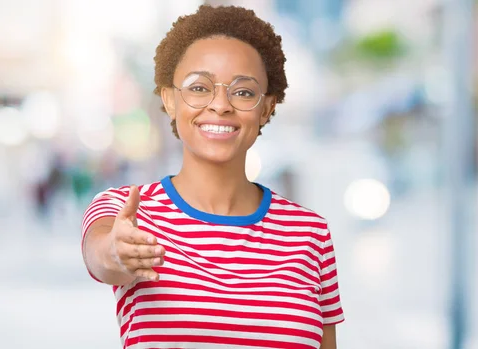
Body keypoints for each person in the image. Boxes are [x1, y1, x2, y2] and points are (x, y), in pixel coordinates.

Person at [81, 4, 344, 349]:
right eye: (199, 88)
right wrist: (117, 252)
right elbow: (101, 254)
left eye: (244, 91)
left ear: (267, 107)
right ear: (171, 100)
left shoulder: (310, 234)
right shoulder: (129, 212)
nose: (221, 104)